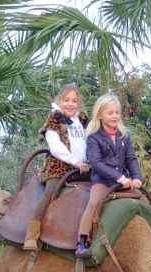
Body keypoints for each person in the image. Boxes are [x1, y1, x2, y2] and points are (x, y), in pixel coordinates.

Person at [23, 84, 90, 251]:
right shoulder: (54, 119)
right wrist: (75, 162)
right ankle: (31, 234)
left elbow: (91, 141)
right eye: (66, 100)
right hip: (59, 167)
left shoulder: (82, 120)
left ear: (79, 103)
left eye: (74, 101)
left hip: (83, 168)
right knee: (50, 193)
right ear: (60, 101)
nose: (70, 104)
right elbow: (56, 147)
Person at [76, 93, 142, 258]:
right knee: (94, 202)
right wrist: (118, 177)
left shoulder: (124, 135)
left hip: (124, 181)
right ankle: (82, 241)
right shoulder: (93, 137)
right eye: (110, 113)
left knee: (143, 200)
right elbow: (96, 163)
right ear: (100, 114)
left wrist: (136, 177)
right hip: (103, 182)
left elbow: (131, 158)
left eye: (117, 112)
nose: (114, 116)